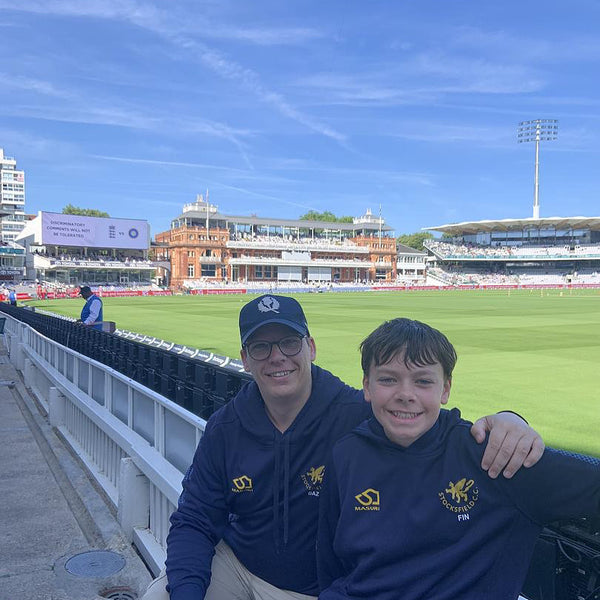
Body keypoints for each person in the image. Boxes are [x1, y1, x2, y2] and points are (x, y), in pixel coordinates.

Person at [143, 295, 545, 600]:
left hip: (315, 590)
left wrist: (510, 419)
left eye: (288, 342)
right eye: (261, 347)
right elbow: (195, 519)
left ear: (311, 348)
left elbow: (432, 424)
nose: (277, 357)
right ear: (245, 359)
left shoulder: (360, 412)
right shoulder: (226, 427)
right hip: (237, 564)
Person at [317, 317, 600, 600]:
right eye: (388, 379)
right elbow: (331, 564)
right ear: (367, 386)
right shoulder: (346, 454)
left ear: (446, 389)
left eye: (423, 381)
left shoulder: (494, 454)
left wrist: (512, 418)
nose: (405, 394)